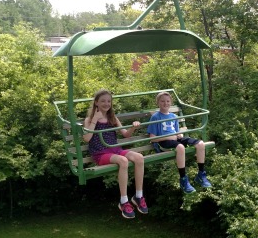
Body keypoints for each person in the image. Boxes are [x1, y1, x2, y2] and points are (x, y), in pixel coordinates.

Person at [83, 89, 148, 219]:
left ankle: (138, 196)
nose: (106, 104)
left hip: (115, 150)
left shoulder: (112, 117)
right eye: (103, 101)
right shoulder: (89, 119)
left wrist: (133, 127)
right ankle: (124, 201)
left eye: (108, 101)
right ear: (96, 103)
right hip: (100, 153)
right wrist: (95, 119)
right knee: (123, 161)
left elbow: (125, 134)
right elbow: (87, 138)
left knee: (139, 158)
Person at [147, 91, 211, 193]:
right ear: (158, 103)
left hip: (175, 140)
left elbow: (176, 132)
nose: (165, 103)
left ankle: (201, 174)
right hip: (164, 142)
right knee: (180, 147)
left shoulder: (173, 116)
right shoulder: (155, 117)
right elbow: (152, 138)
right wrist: (168, 137)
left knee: (200, 144)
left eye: (168, 101)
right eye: (162, 101)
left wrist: (178, 134)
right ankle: (183, 179)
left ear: (171, 102)